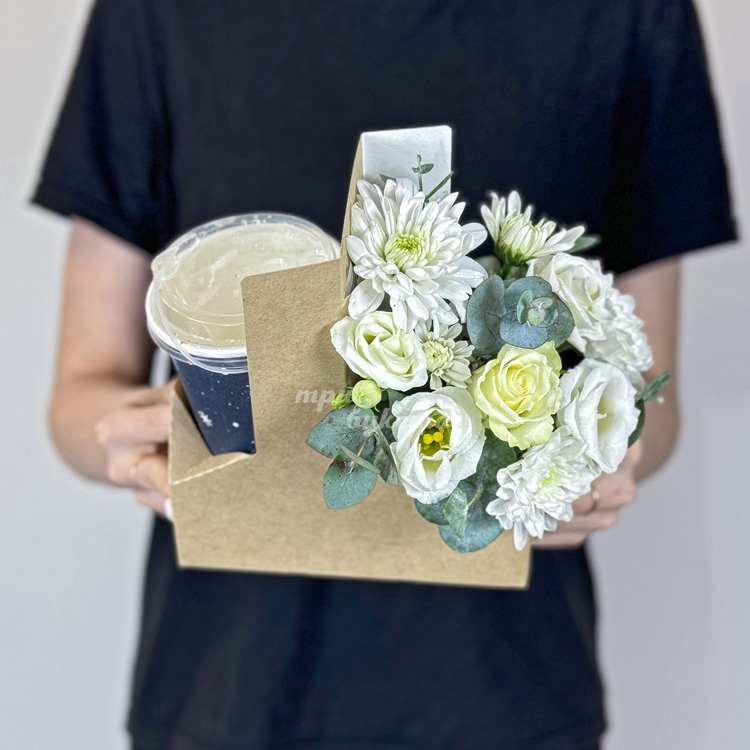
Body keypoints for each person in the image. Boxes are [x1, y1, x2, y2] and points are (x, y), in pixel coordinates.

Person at [33, 1, 735, 748]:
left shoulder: (631, 16)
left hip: (507, 694)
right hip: (226, 693)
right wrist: (139, 442)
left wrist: (600, 461)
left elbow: (651, 402)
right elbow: (81, 400)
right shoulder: (157, 15)